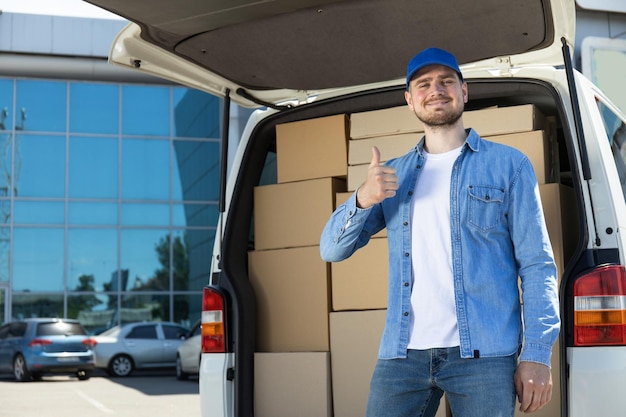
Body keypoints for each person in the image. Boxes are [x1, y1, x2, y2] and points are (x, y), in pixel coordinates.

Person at [320, 47, 560, 417]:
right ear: (409, 100)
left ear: (464, 91)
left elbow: (537, 265)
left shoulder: (509, 165)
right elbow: (330, 250)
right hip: (403, 355)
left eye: (447, 81)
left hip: (485, 355)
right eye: (424, 84)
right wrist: (363, 198)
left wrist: (537, 354)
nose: (436, 90)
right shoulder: (392, 176)